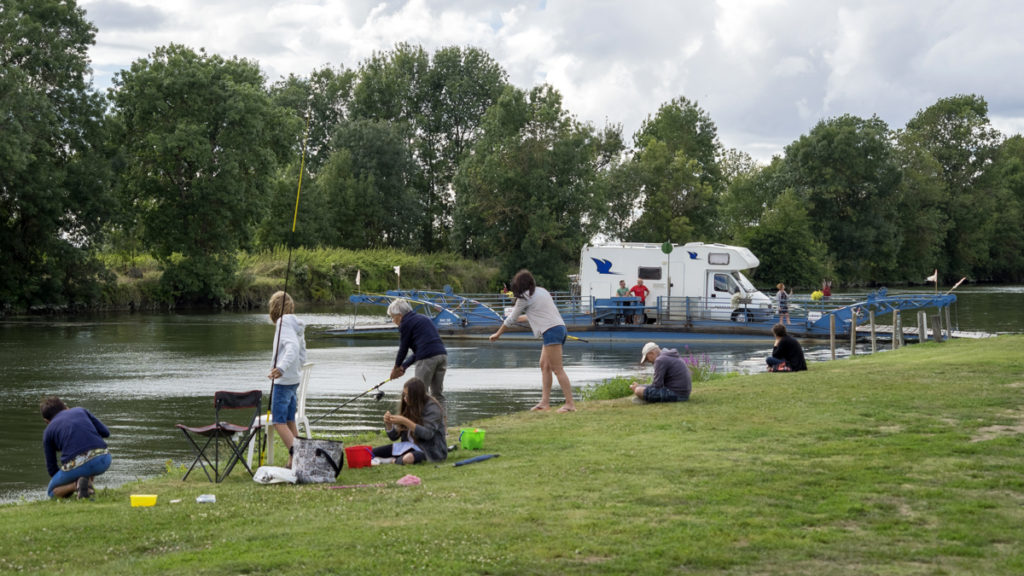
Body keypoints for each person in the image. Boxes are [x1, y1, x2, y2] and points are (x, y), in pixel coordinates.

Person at [489, 269, 577, 413]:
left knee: (557, 369)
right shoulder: (542, 291)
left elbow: (510, 320)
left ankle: (570, 404)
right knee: (544, 365)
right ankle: (544, 403)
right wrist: (515, 318)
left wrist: (498, 334)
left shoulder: (524, 297)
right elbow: (534, 315)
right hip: (559, 328)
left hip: (551, 331)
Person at [41, 396, 112, 499]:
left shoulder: (48, 432)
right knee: (88, 453)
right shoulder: (80, 410)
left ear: (46, 421)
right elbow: (106, 432)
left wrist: (66, 482)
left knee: (51, 492)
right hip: (104, 459)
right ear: (66, 407)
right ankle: (87, 488)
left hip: (77, 465)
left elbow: (52, 470)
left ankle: (76, 485)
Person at [267, 290, 307, 468]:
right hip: (293, 380)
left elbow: (293, 347)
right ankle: (293, 462)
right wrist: (295, 368)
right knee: (290, 419)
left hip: (283, 382)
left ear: (274, 308)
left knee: (278, 421)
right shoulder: (296, 325)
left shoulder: (283, 324)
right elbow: (302, 352)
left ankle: (299, 454)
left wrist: (281, 368)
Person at [370, 378, 448, 465]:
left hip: (429, 450)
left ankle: (391, 460)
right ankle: (392, 458)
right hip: (407, 446)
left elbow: (428, 434)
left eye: (407, 396)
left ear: (417, 396)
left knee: (408, 458)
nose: (405, 398)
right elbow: (394, 437)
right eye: (404, 394)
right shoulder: (407, 405)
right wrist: (389, 425)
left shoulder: (433, 408)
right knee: (370, 453)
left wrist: (405, 421)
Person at [388, 298, 448, 402]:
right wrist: (404, 366)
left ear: (400, 315)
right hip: (441, 356)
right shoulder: (423, 318)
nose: (393, 320)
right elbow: (420, 351)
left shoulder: (406, 323)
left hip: (427, 359)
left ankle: (420, 418)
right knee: (437, 394)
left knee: (419, 393)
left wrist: (396, 367)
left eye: (393, 317)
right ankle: (441, 418)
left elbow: (403, 348)